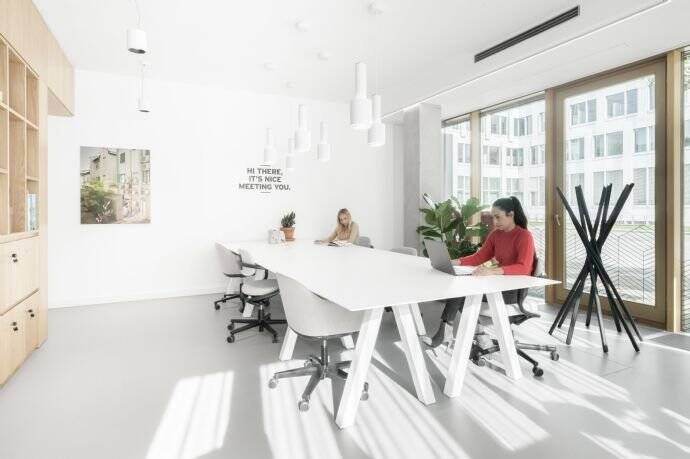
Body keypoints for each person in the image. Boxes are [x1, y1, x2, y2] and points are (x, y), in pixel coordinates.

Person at [428, 196, 535, 348]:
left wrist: (492, 271)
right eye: (493, 217)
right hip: (495, 284)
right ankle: (474, 334)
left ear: (511, 214)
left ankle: (453, 332)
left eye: (498, 217)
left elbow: (524, 267)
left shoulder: (524, 236)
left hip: (512, 290)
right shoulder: (496, 235)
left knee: (462, 290)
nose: (495, 222)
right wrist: (455, 262)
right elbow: (479, 257)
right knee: (459, 288)